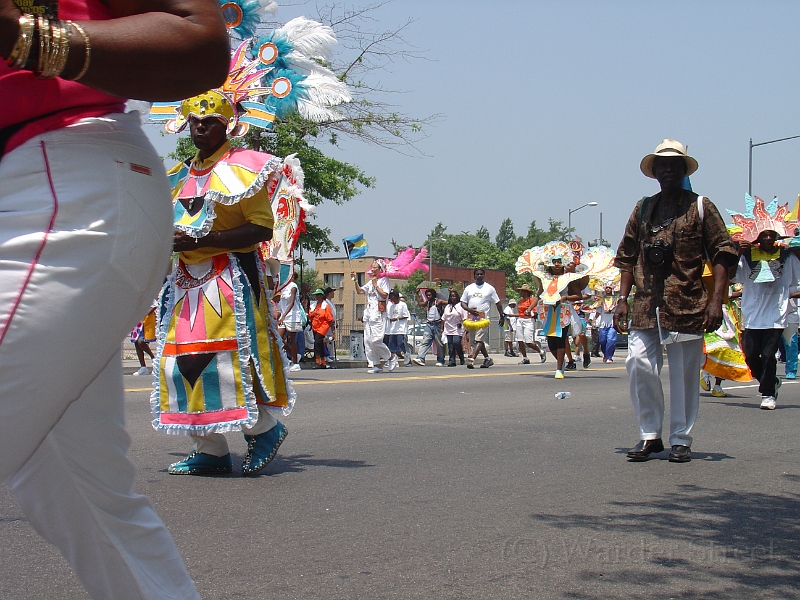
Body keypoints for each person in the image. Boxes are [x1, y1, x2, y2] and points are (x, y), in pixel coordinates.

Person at [0, 1, 228, 598]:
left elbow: (199, 43)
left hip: (58, 186)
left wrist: (27, 36)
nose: (202, 130)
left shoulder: (242, 172)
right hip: (47, 199)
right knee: (69, 484)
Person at [153, 111, 295, 477]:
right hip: (185, 280)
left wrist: (205, 238)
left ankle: (263, 430)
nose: (201, 126)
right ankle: (209, 449)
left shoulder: (245, 168)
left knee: (226, 362)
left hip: (229, 277)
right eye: (195, 120)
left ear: (229, 124)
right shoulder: (178, 175)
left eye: (211, 120)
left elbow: (261, 229)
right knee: (180, 364)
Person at [614, 139, 737, 463]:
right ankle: (650, 435)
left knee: (683, 374)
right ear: (654, 172)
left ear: (683, 170)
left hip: (687, 303)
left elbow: (724, 253)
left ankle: (681, 439)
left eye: (674, 165)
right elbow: (626, 255)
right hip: (645, 303)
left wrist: (716, 302)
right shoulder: (643, 208)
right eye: (662, 165)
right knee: (638, 363)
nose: (668, 170)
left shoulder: (700, 206)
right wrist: (621, 299)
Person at [733, 229, 800, 410]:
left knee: (769, 355)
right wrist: (739, 251)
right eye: (764, 235)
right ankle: (771, 381)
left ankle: (768, 394)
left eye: (772, 235)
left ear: (777, 238)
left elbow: (796, 277)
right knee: (751, 356)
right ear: (758, 239)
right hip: (753, 314)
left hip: (776, 314)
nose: (768, 238)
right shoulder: (747, 256)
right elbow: (733, 275)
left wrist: (795, 246)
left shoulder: (788, 256)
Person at [461, 268, 505, 369]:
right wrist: (469, 309)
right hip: (471, 319)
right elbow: (462, 302)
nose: (479, 276)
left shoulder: (490, 288)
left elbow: (498, 303)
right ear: (474, 276)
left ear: (484, 275)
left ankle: (472, 360)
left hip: (483, 319)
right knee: (474, 342)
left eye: (481, 274)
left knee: (479, 340)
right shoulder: (469, 288)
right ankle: (487, 359)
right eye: (477, 274)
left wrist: (501, 316)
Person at [353, 262, 391, 373]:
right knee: (368, 341)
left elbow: (384, 295)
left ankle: (391, 357)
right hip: (369, 315)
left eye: (375, 267)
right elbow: (360, 291)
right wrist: (355, 280)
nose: (373, 269)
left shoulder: (384, 281)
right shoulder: (370, 282)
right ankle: (377, 364)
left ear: (380, 269)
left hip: (378, 314)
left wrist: (376, 286)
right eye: (372, 267)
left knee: (376, 340)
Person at [413, 287, 448, 366]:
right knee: (426, 341)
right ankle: (420, 358)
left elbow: (449, 302)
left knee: (439, 343)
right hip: (429, 324)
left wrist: (451, 292)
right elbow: (420, 304)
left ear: (433, 295)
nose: (428, 297)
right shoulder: (427, 303)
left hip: (438, 324)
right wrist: (417, 294)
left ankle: (440, 360)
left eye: (429, 295)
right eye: (427, 295)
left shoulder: (438, 302)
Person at [514, 284, 546, 364]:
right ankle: (525, 358)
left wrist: (530, 313)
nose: (520, 292)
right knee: (519, 340)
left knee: (528, 342)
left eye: (522, 291)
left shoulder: (532, 300)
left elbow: (535, 312)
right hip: (520, 320)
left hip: (528, 320)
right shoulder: (520, 301)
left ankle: (540, 351)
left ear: (526, 292)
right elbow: (520, 313)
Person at [278, 278, 303, 372]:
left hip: (292, 316)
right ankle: (295, 356)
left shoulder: (293, 286)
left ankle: (296, 363)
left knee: (291, 339)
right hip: (282, 317)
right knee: (278, 339)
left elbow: (292, 303)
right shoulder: (281, 287)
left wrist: (284, 316)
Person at [308, 288, 334, 369]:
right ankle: (323, 362)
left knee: (317, 343)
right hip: (315, 327)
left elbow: (330, 319)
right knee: (320, 344)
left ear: (322, 296)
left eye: (319, 295)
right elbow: (310, 316)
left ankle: (317, 361)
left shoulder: (325, 306)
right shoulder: (313, 306)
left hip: (323, 326)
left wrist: (333, 331)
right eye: (316, 295)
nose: (317, 296)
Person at [442, 289, 468, 366]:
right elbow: (443, 318)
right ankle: (452, 361)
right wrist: (441, 328)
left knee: (456, 342)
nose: (453, 298)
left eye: (454, 296)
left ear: (457, 297)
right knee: (450, 345)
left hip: (458, 328)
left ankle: (461, 356)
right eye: (451, 296)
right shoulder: (447, 306)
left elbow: (465, 318)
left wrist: (466, 328)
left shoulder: (461, 306)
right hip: (448, 328)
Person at [385, 289, 409, 370]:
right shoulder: (391, 306)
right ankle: (393, 361)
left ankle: (406, 354)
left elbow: (406, 315)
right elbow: (390, 316)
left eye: (392, 296)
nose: (391, 298)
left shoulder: (403, 305)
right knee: (392, 347)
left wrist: (397, 318)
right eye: (390, 296)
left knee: (400, 344)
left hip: (400, 329)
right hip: (392, 329)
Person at [130, 305, 157, 375]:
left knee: (141, 342)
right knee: (136, 343)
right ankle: (143, 367)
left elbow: (155, 305)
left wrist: (145, 313)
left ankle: (154, 359)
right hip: (137, 322)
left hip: (145, 322)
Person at [595, 286, 619, 363]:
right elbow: (598, 312)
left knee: (611, 340)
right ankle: (605, 354)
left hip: (612, 323)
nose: (608, 289)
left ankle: (609, 357)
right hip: (603, 323)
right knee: (602, 341)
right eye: (607, 288)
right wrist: (594, 319)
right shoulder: (601, 300)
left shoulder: (616, 300)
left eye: (610, 288)